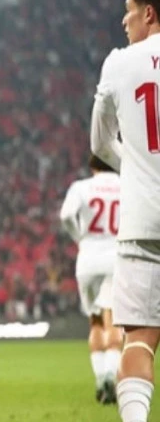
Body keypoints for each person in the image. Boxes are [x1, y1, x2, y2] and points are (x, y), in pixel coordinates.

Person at [90, 0, 160, 422]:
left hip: (142, 221)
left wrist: (134, 164)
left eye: (129, 9)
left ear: (149, 13)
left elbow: (99, 143)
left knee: (138, 338)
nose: (124, 19)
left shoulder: (119, 62)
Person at [59, 155, 123, 403]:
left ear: (93, 166)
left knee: (95, 321)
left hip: (88, 259)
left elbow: (66, 216)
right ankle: (110, 376)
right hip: (117, 258)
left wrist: (80, 238)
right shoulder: (126, 185)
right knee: (114, 320)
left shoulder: (81, 187)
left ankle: (100, 379)